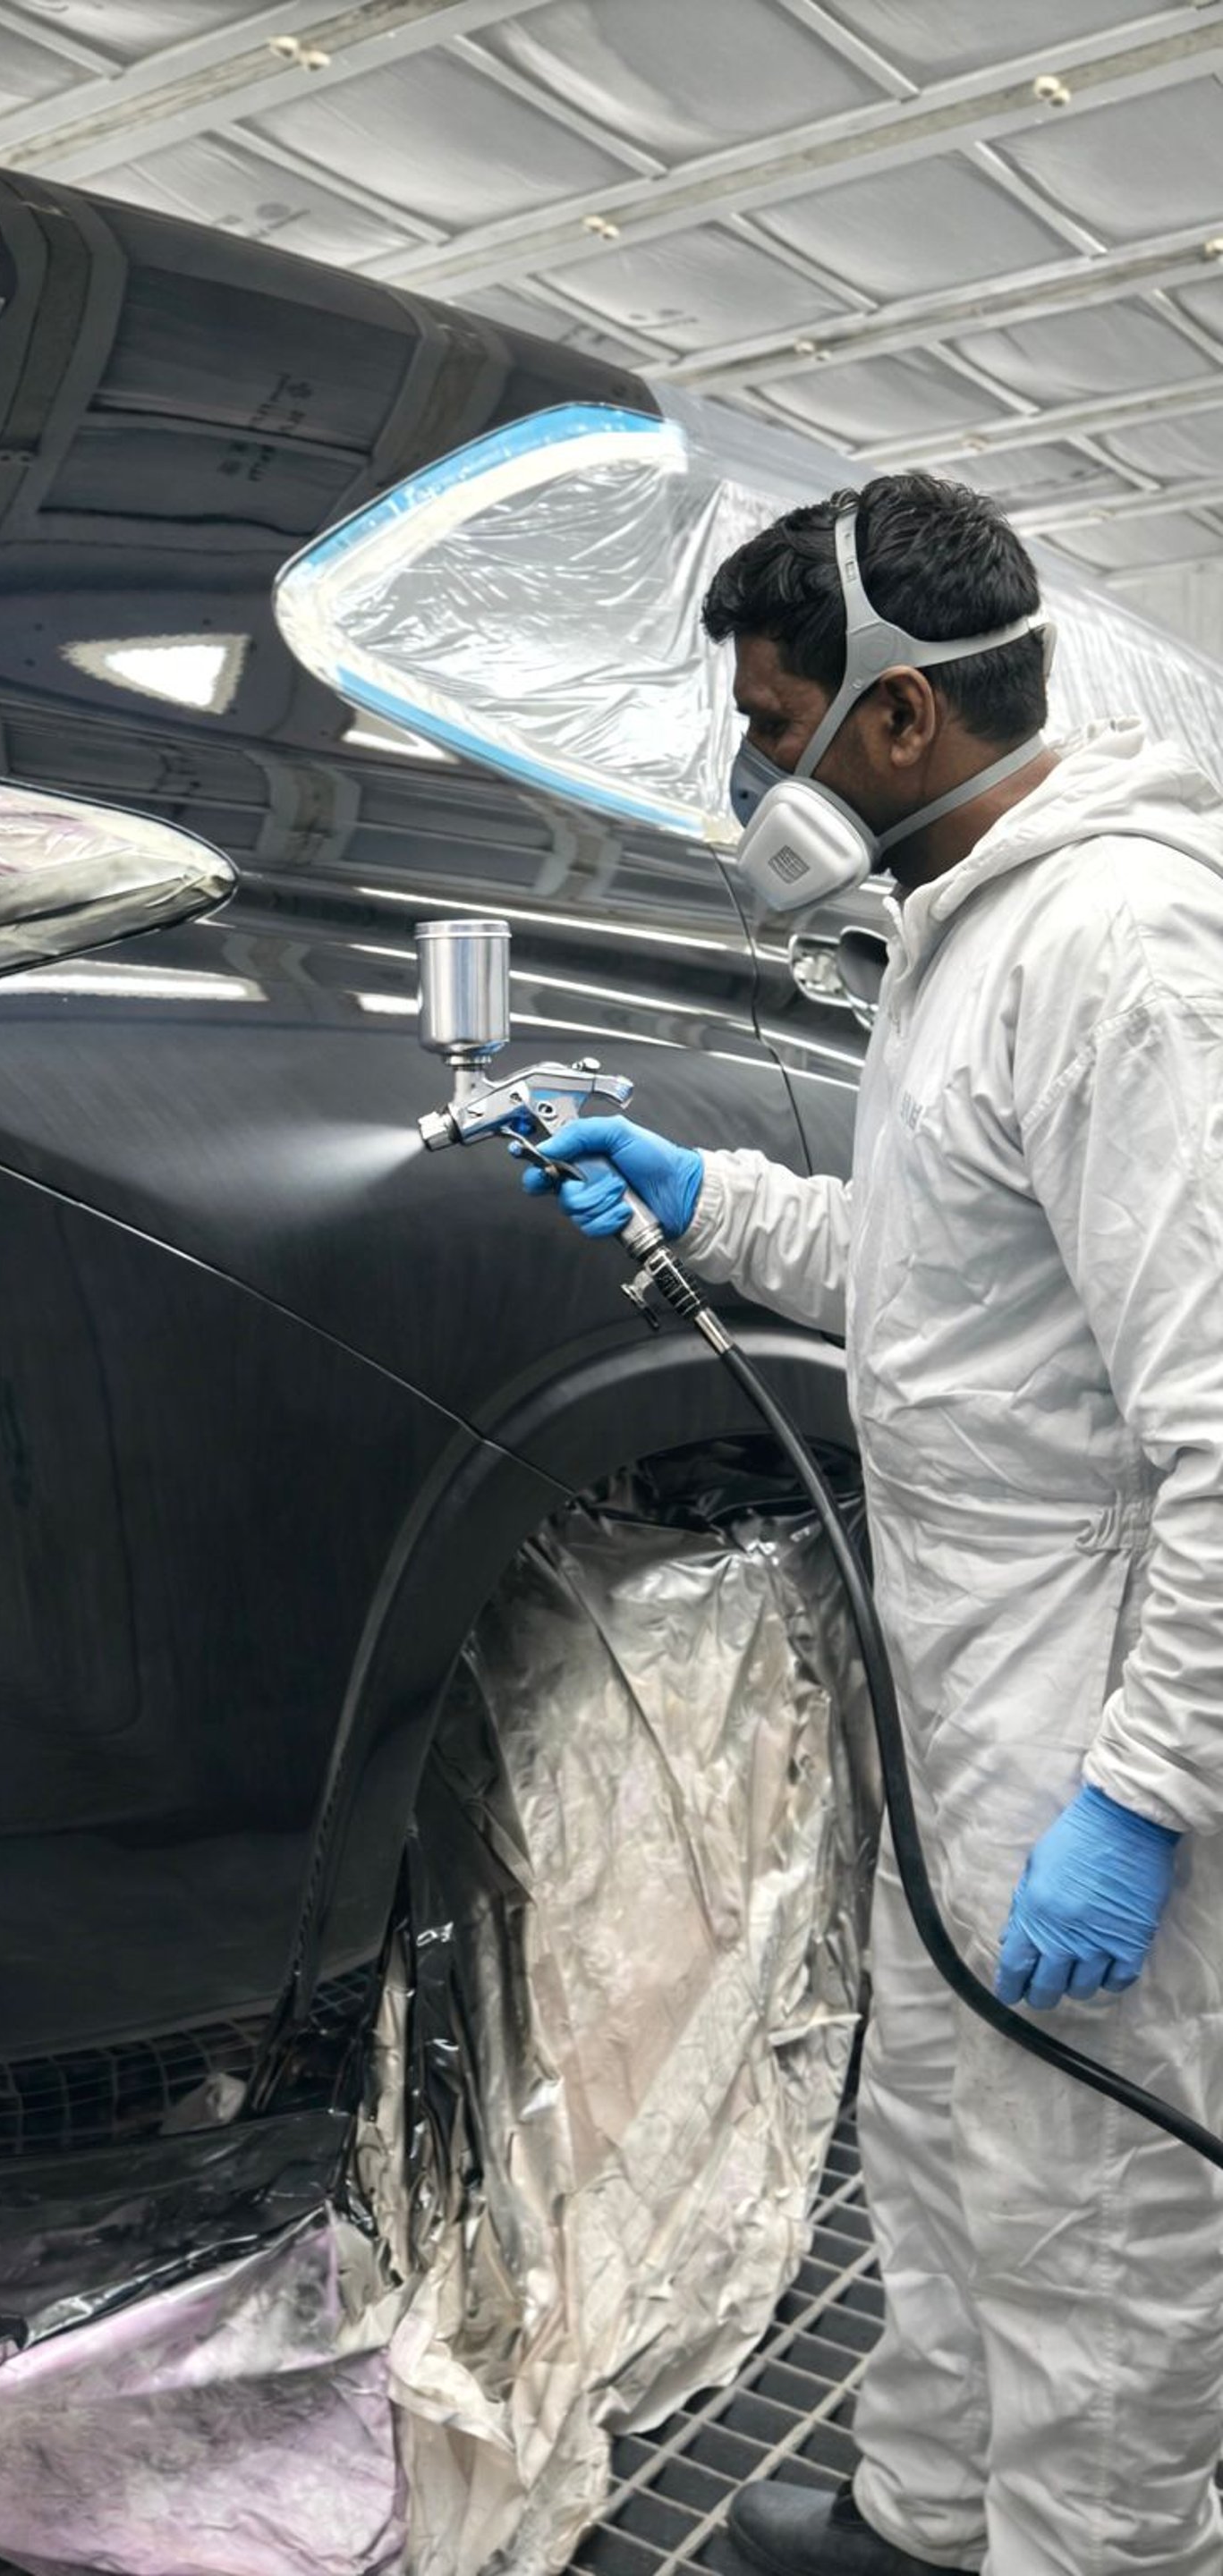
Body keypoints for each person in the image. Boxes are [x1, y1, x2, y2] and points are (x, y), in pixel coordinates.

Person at [523, 473, 1223, 2575]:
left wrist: (1145, 1790)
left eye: (773, 725)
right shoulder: (963, 930)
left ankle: (1097, 2552)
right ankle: (932, 2515)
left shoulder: (1121, 955)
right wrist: (708, 1201)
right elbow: (941, 1282)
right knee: (939, 2121)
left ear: (898, 718)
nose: (759, 777)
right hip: (975, 1656)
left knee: (1086, 2200)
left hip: (1092, 1681)